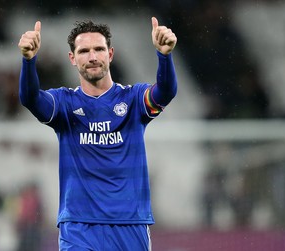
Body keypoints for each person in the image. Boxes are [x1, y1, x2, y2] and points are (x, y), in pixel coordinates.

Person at [18, 17, 177, 250]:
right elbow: (30, 98)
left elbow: (165, 92)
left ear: (110, 54)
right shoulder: (64, 104)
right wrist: (28, 61)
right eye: (84, 51)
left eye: (99, 49)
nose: (92, 57)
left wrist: (164, 56)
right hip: (79, 227)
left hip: (130, 224)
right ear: (72, 58)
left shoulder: (133, 100)